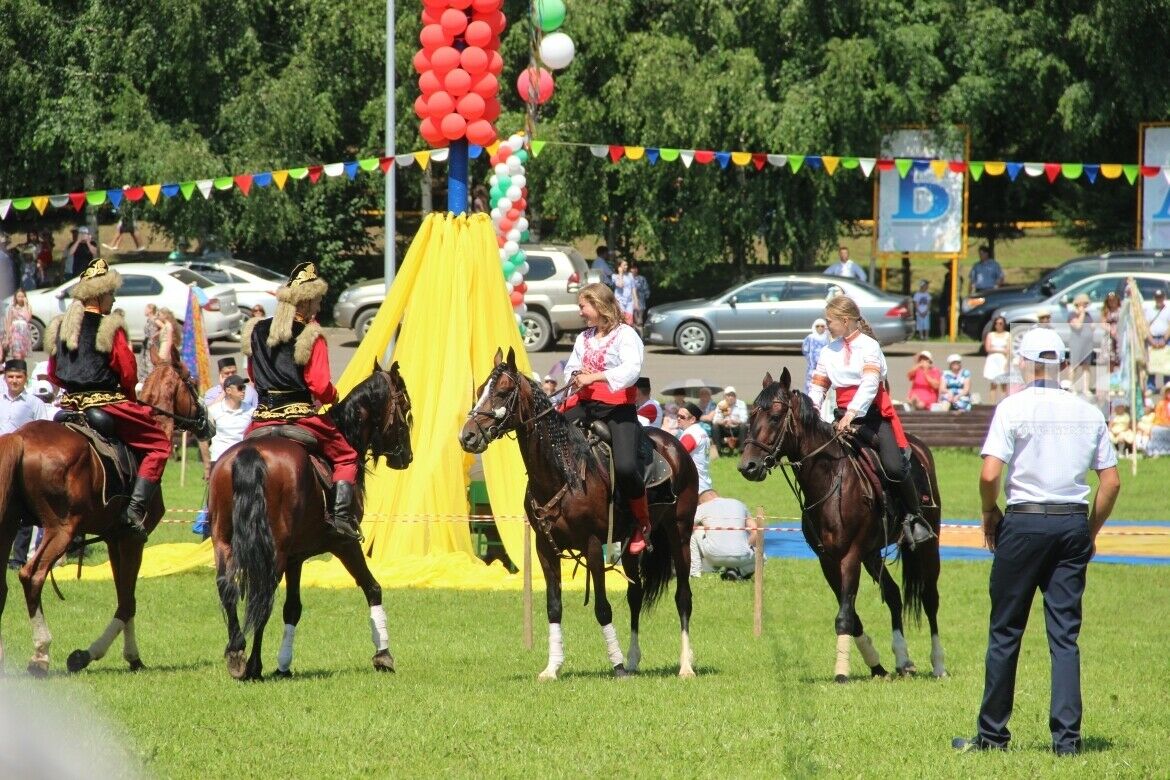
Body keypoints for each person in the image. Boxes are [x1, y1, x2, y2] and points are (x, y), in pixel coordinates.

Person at [953, 327, 1120, 757]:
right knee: (1065, 637)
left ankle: (992, 736)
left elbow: (990, 474)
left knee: (1006, 631)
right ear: (1064, 364)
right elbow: (1111, 482)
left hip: (1024, 523)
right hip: (1071, 523)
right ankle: (1067, 742)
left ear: (1024, 364)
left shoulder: (1013, 408)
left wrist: (990, 511)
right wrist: (1091, 531)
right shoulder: (1088, 411)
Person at [46, 258, 173, 542]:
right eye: (111, 293)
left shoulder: (60, 327)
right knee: (159, 444)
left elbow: (54, 374)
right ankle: (133, 509)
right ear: (101, 295)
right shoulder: (108, 327)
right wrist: (131, 398)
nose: (113, 299)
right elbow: (127, 372)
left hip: (68, 406)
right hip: (105, 403)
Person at [243, 261, 362, 540]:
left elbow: (252, 375)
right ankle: (343, 521)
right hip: (300, 418)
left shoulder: (256, 330)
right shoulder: (311, 334)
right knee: (347, 456)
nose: (319, 309)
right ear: (306, 304)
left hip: (261, 418)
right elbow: (319, 384)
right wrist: (333, 397)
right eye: (317, 302)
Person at [809, 294, 934, 547]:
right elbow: (818, 387)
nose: (827, 326)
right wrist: (811, 413)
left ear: (845, 321)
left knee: (894, 467)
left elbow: (869, 384)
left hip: (873, 418)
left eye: (829, 321)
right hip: (840, 418)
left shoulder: (870, 347)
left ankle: (914, 517)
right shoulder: (827, 351)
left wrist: (852, 414)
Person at [562, 283, 649, 553]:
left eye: (583, 306)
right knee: (548, 437)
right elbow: (571, 368)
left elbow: (632, 369)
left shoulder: (626, 335)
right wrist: (578, 374)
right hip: (585, 403)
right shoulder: (584, 337)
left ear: (599, 306)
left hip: (617, 407)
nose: (580, 312)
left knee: (624, 466)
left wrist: (596, 375)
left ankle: (641, 524)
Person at [1, 358, 54, 570]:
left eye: (19, 377)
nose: (14, 381)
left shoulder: (35, 403)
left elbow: (45, 432)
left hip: (22, 460)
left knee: (22, 508)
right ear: (5, 378)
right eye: (11, 377)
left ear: (25, 378)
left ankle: (19, 557)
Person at [689, 489, 760, 580]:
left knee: (695, 532)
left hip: (713, 555)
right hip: (742, 556)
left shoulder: (702, 507)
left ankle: (695, 573)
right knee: (762, 556)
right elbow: (756, 532)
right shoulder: (740, 504)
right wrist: (747, 546)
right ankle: (738, 571)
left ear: (700, 502)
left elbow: (687, 527)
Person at [674, 402, 711, 495]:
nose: (678, 419)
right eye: (677, 415)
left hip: (693, 487)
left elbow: (676, 456)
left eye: (682, 417)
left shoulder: (690, 434)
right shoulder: (701, 431)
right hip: (704, 483)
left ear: (692, 419)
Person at [1065, 293, 1095, 394]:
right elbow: (1077, 326)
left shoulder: (1088, 315)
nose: (1085, 306)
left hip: (1087, 343)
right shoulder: (1072, 315)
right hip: (1076, 343)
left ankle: (1085, 388)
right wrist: (1081, 314)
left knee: (1086, 366)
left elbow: (1092, 326)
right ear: (1078, 304)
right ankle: (1072, 387)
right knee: (1074, 365)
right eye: (1083, 304)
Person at [1145, 288, 1170, 391]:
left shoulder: (1168, 310)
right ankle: (1151, 386)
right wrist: (1151, 340)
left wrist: (1164, 339)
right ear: (1154, 298)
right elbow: (1145, 326)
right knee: (1152, 363)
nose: (1159, 299)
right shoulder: (1150, 311)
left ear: (1164, 298)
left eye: (1160, 297)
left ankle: (1167, 385)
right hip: (1153, 338)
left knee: (1166, 363)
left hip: (1165, 338)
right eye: (1157, 297)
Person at [983, 316, 1011, 404]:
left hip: (1003, 360)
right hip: (992, 360)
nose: (999, 325)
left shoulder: (1008, 335)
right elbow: (987, 348)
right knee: (993, 384)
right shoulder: (990, 335)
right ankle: (992, 404)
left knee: (1003, 385)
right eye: (997, 323)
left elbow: (1009, 350)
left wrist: (1007, 362)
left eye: (1001, 323)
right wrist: (1001, 350)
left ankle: (1004, 404)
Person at [712, 387, 748, 454]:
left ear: (735, 396)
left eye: (732, 395)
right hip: (724, 427)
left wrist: (734, 421)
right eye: (728, 395)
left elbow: (744, 419)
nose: (731, 397)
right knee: (715, 426)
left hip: (736, 427)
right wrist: (722, 422)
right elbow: (715, 420)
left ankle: (742, 450)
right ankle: (718, 450)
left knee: (744, 426)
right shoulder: (721, 404)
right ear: (724, 397)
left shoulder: (741, 404)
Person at [801, 318, 830, 393]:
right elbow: (805, 350)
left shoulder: (828, 338)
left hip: (825, 367)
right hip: (812, 368)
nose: (820, 328)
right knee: (810, 385)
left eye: (822, 326)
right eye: (817, 326)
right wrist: (811, 361)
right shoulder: (810, 338)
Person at [3, 288, 33, 360]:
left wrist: (25, 305)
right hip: (15, 332)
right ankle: (16, 367)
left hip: (24, 333)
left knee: (22, 355)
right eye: (18, 296)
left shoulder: (28, 307)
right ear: (15, 297)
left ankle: (21, 369)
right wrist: (7, 337)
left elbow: (28, 319)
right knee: (16, 355)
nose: (20, 298)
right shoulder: (12, 307)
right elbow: (9, 322)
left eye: (22, 296)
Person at [1100, 291, 1122, 373]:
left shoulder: (1121, 310)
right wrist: (1110, 330)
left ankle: (1118, 380)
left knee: (1119, 359)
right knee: (1110, 360)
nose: (1112, 302)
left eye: (1114, 300)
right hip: (1109, 338)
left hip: (1119, 336)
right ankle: (1110, 380)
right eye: (1110, 300)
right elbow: (1103, 324)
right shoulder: (1106, 311)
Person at [139, 303, 160, 383]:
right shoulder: (149, 320)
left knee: (150, 362)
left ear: (150, 310)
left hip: (152, 345)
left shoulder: (154, 319)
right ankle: (148, 380)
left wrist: (155, 335)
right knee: (145, 362)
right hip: (147, 344)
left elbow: (164, 327)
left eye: (146, 309)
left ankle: (153, 381)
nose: (145, 310)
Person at [611, 259, 637, 325]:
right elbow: (620, 285)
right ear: (619, 266)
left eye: (627, 265)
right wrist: (620, 273)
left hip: (629, 301)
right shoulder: (614, 276)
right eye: (624, 265)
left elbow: (633, 288)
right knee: (621, 321)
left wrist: (636, 301)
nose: (626, 266)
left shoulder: (630, 275)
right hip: (620, 301)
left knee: (630, 321)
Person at [630, 263, 650, 328]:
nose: (634, 270)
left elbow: (646, 289)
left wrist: (646, 296)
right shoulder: (628, 278)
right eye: (632, 268)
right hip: (630, 302)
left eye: (635, 268)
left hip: (641, 301)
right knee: (634, 320)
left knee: (640, 320)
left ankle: (641, 335)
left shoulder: (642, 278)